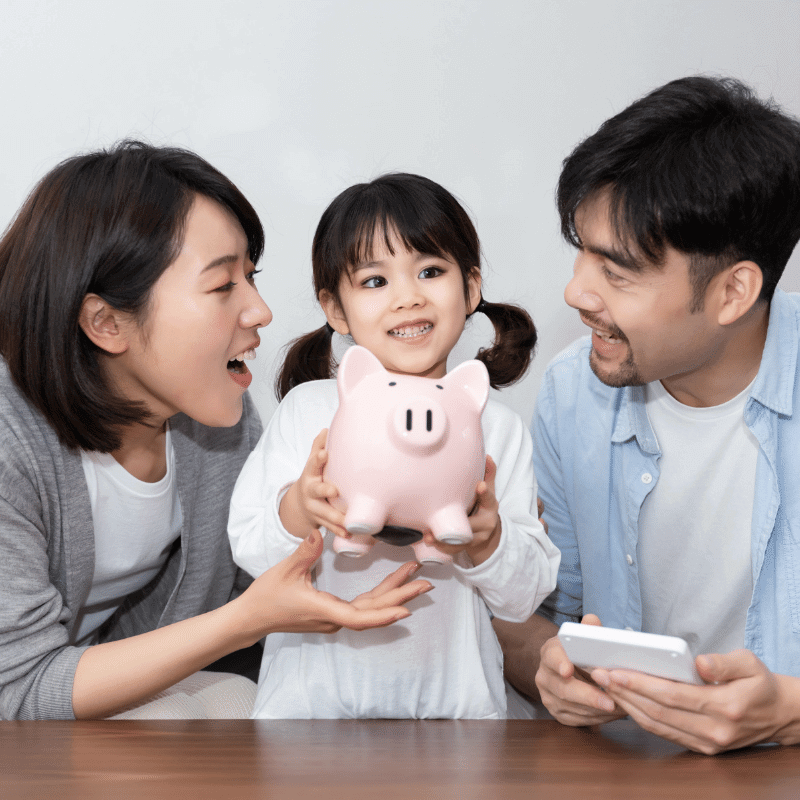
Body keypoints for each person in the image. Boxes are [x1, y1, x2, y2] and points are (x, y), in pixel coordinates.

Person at [0, 141, 432, 721]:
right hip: (25, 716)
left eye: (250, 277)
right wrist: (248, 619)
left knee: (238, 706)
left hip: (84, 706)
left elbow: (249, 594)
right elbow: (17, 691)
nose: (260, 311)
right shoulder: (11, 441)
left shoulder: (216, 423)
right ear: (105, 322)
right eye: (223, 285)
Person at [494, 75, 800, 753]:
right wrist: (549, 671)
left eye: (618, 271)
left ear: (733, 292)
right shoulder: (574, 392)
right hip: (630, 770)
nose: (577, 292)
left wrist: (791, 710)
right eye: (581, 251)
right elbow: (531, 616)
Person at [228, 173, 560, 719]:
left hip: (458, 719)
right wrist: (299, 509)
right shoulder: (311, 412)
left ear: (471, 288)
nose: (408, 297)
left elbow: (525, 597)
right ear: (336, 310)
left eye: (430, 271)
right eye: (374, 281)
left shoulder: (494, 428)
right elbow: (250, 550)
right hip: (308, 717)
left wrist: (487, 540)